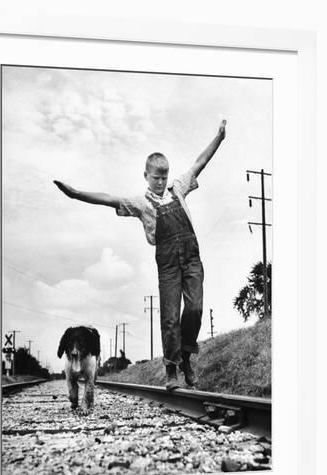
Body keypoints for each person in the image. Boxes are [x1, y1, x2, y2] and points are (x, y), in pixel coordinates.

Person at [54, 120, 226, 390]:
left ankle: (186, 356)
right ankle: (172, 368)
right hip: (167, 263)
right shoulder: (140, 202)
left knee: (194, 308)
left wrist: (219, 138)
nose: (160, 182)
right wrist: (76, 194)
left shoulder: (178, 188)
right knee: (170, 317)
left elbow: (199, 162)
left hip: (192, 257)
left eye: (164, 177)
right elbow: (108, 198)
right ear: (145, 175)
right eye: (156, 177)